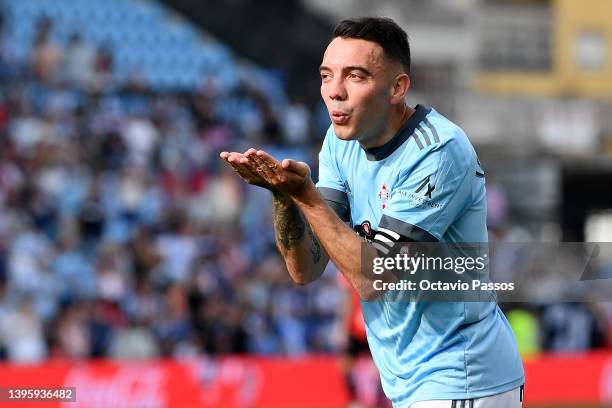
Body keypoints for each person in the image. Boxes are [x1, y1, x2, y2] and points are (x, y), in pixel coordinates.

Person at [220, 17, 524, 408]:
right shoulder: (338, 141)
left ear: (397, 88)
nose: (335, 92)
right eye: (326, 76)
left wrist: (306, 196)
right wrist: (284, 197)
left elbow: (373, 276)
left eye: (356, 77)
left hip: (462, 375)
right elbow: (305, 269)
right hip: (408, 381)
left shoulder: (438, 150)